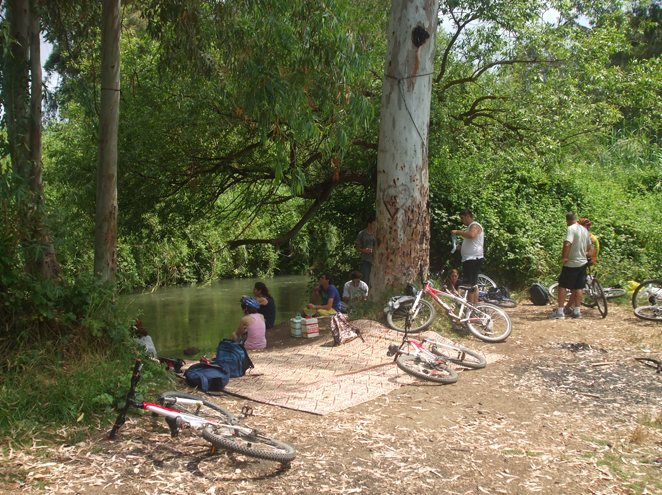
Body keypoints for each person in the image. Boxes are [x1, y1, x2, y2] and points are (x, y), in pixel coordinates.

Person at [551, 212, 594, 320]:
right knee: (579, 287)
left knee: (562, 286)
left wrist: (564, 257)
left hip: (571, 263)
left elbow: (567, 243)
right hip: (582, 263)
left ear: (567, 221)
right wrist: (584, 254)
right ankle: (577, 311)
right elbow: (590, 247)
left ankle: (560, 312)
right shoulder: (584, 230)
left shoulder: (571, 228)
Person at [450, 209, 484, 304]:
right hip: (470, 259)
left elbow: (472, 235)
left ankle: (471, 308)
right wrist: (460, 247)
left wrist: (458, 232)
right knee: (473, 285)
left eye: (462, 218)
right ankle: (474, 308)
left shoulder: (475, 225)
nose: (462, 220)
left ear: (467, 216)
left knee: (469, 285)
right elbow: (472, 243)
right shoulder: (470, 227)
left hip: (473, 259)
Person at [356, 214, 376, 287]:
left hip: (376, 261)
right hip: (366, 260)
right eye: (374, 223)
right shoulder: (362, 233)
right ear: (369, 223)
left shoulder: (378, 233)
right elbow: (357, 247)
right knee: (366, 279)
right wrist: (364, 250)